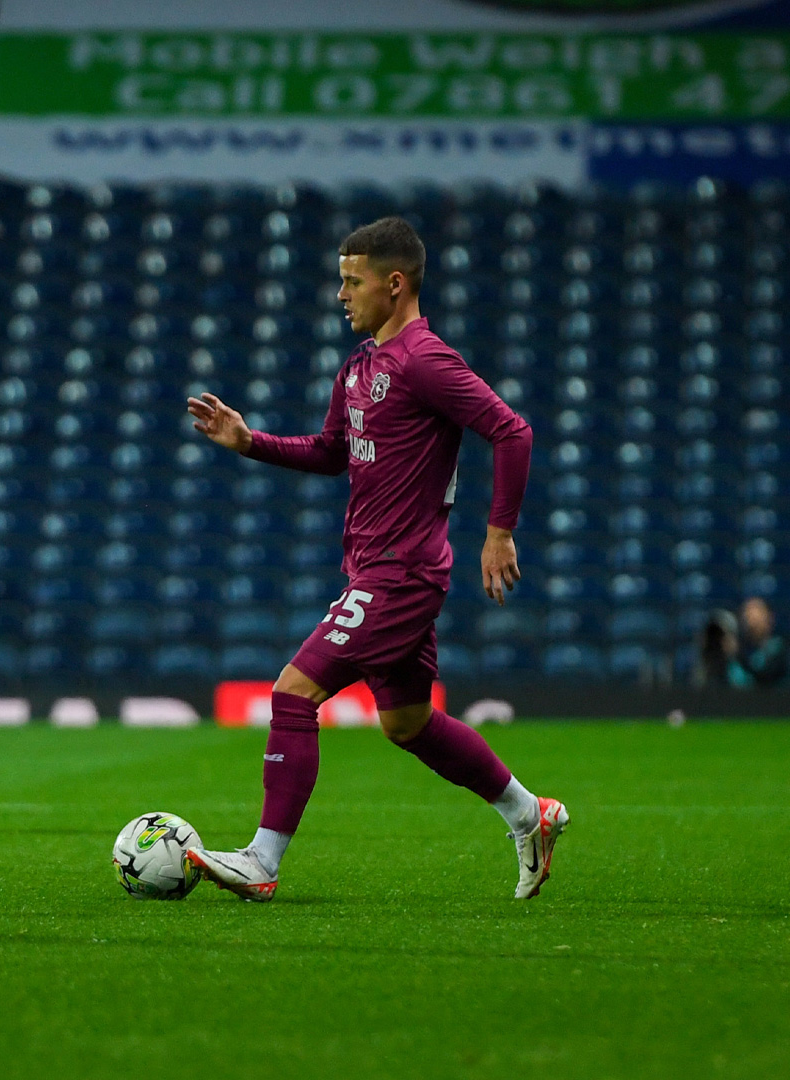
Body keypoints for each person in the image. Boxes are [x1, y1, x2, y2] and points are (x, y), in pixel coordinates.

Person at [182, 216, 565, 902]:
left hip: (403, 571)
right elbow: (333, 453)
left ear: (395, 284)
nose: (341, 294)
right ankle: (528, 814)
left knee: (292, 692)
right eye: (339, 280)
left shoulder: (425, 360)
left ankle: (262, 860)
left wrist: (498, 531)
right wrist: (249, 442)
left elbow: (512, 431)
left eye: (351, 281)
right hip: (376, 569)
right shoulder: (359, 367)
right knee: (407, 723)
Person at [726, 598, 787, 689]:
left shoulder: (780, 647)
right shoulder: (739, 651)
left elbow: (766, 676)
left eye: (757, 613)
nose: (752, 620)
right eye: (748, 614)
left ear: (770, 618)